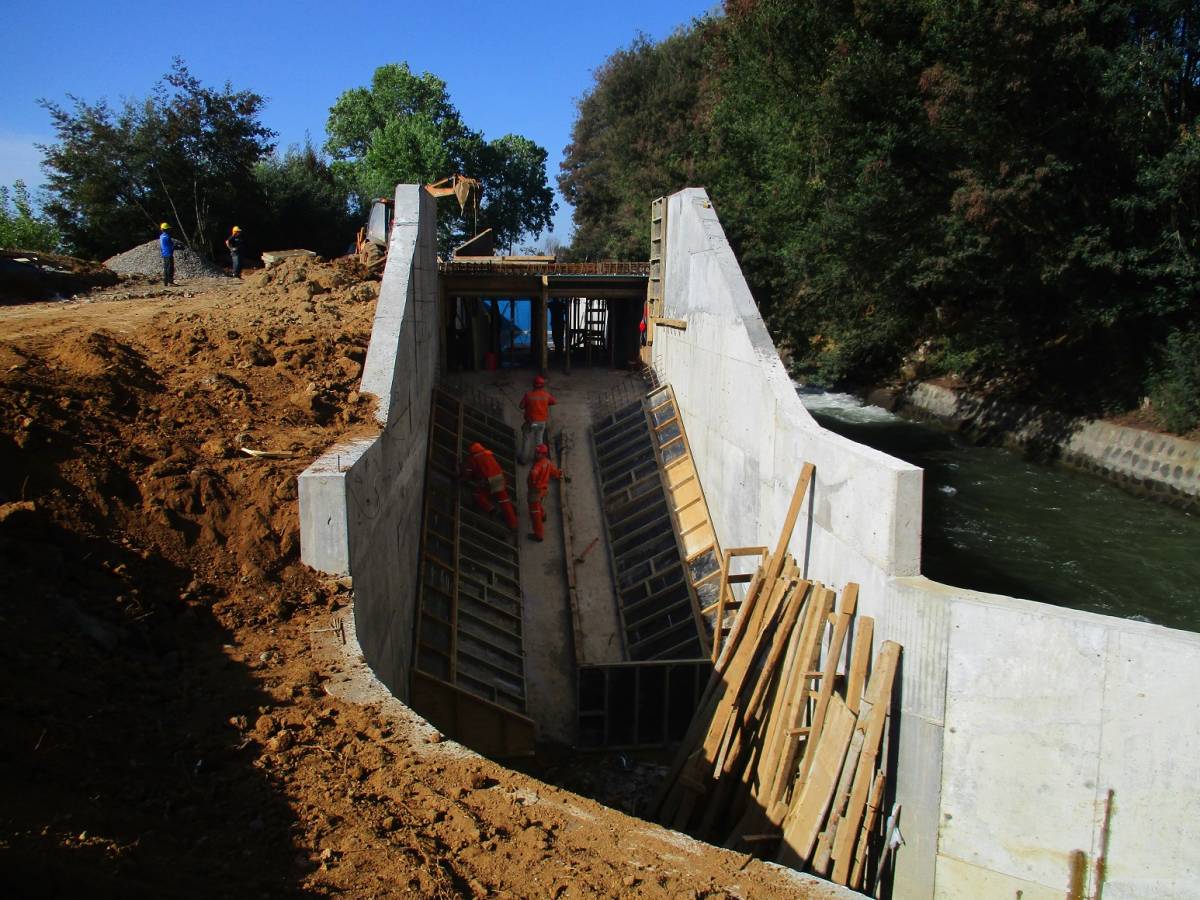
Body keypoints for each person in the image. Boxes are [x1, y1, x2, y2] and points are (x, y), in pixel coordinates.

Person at [460, 441, 518, 531]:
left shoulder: (473, 458)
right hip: (500, 477)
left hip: (490, 481)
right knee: (504, 501)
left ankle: (491, 509)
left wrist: (464, 478)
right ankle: (513, 524)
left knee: (478, 494)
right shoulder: (487, 453)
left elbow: (468, 471)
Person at [526, 443, 563, 542]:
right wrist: (560, 474)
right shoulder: (547, 462)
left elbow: (534, 473)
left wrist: (533, 483)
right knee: (538, 504)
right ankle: (543, 515)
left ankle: (539, 535)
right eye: (536, 452)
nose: (536, 454)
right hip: (543, 490)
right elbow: (554, 472)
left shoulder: (537, 465)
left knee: (534, 514)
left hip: (536, 491)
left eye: (539, 453)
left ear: (544, 454)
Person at [518, 375, 556, 464]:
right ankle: (539, 460)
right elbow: (554, 401)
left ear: (533, 385)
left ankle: (523, 460)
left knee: (527, 439)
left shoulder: (528, 395)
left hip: (531, 422)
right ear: (543, 386)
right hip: (541, 423)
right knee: (539, 440)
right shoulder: (546, 395)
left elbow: (521, 406)